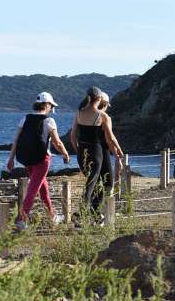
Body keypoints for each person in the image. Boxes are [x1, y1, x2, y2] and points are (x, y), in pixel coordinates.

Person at [6, 92, 71, 231]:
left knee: (43, 188)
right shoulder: (49, 121)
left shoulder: (25, 118)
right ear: (47, 105)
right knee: (33, 189)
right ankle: (21, 220)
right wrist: (65, 154)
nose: (51, 109)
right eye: (51, 106)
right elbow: (57, 142)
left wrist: (11, 158)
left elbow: (16, 140)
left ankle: (52, 216)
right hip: (42, 160)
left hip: (26, 159)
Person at [70, 87, 124, 221]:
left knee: (94, 183)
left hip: (82, 151)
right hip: (96, 152)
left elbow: (72, 136)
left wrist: (79, 152)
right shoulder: (102, 116)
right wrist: (119, 152)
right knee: (92, 184)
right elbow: (110, 138)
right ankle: (81, 215)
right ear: (99, 99)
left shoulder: (78, 113)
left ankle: (93, 214)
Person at [95, 92, 124, 199]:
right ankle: (107, 210)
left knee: (95, 182)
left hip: (90, 152)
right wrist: (118, 155)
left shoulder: (87, 116)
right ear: (106, 104)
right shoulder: (105, 117)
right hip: (103, 152)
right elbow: (110, 139)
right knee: (108, 183)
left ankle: (93, 209)